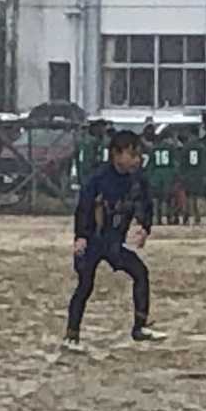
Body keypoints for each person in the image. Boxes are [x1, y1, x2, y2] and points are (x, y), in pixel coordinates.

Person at [65, 130, 165, 351]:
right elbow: (83, 209)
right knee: (85, 285)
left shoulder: (137, 180)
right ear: (116, 154)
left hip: (113, 243)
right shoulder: (97, 180)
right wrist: (80, 236)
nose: (137, 160)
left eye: (138, 155)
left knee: (140, 272)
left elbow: (147, 204)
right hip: (92, 241)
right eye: (132, 154)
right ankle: (71, 335)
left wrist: (145, 227)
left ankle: (140, 326)